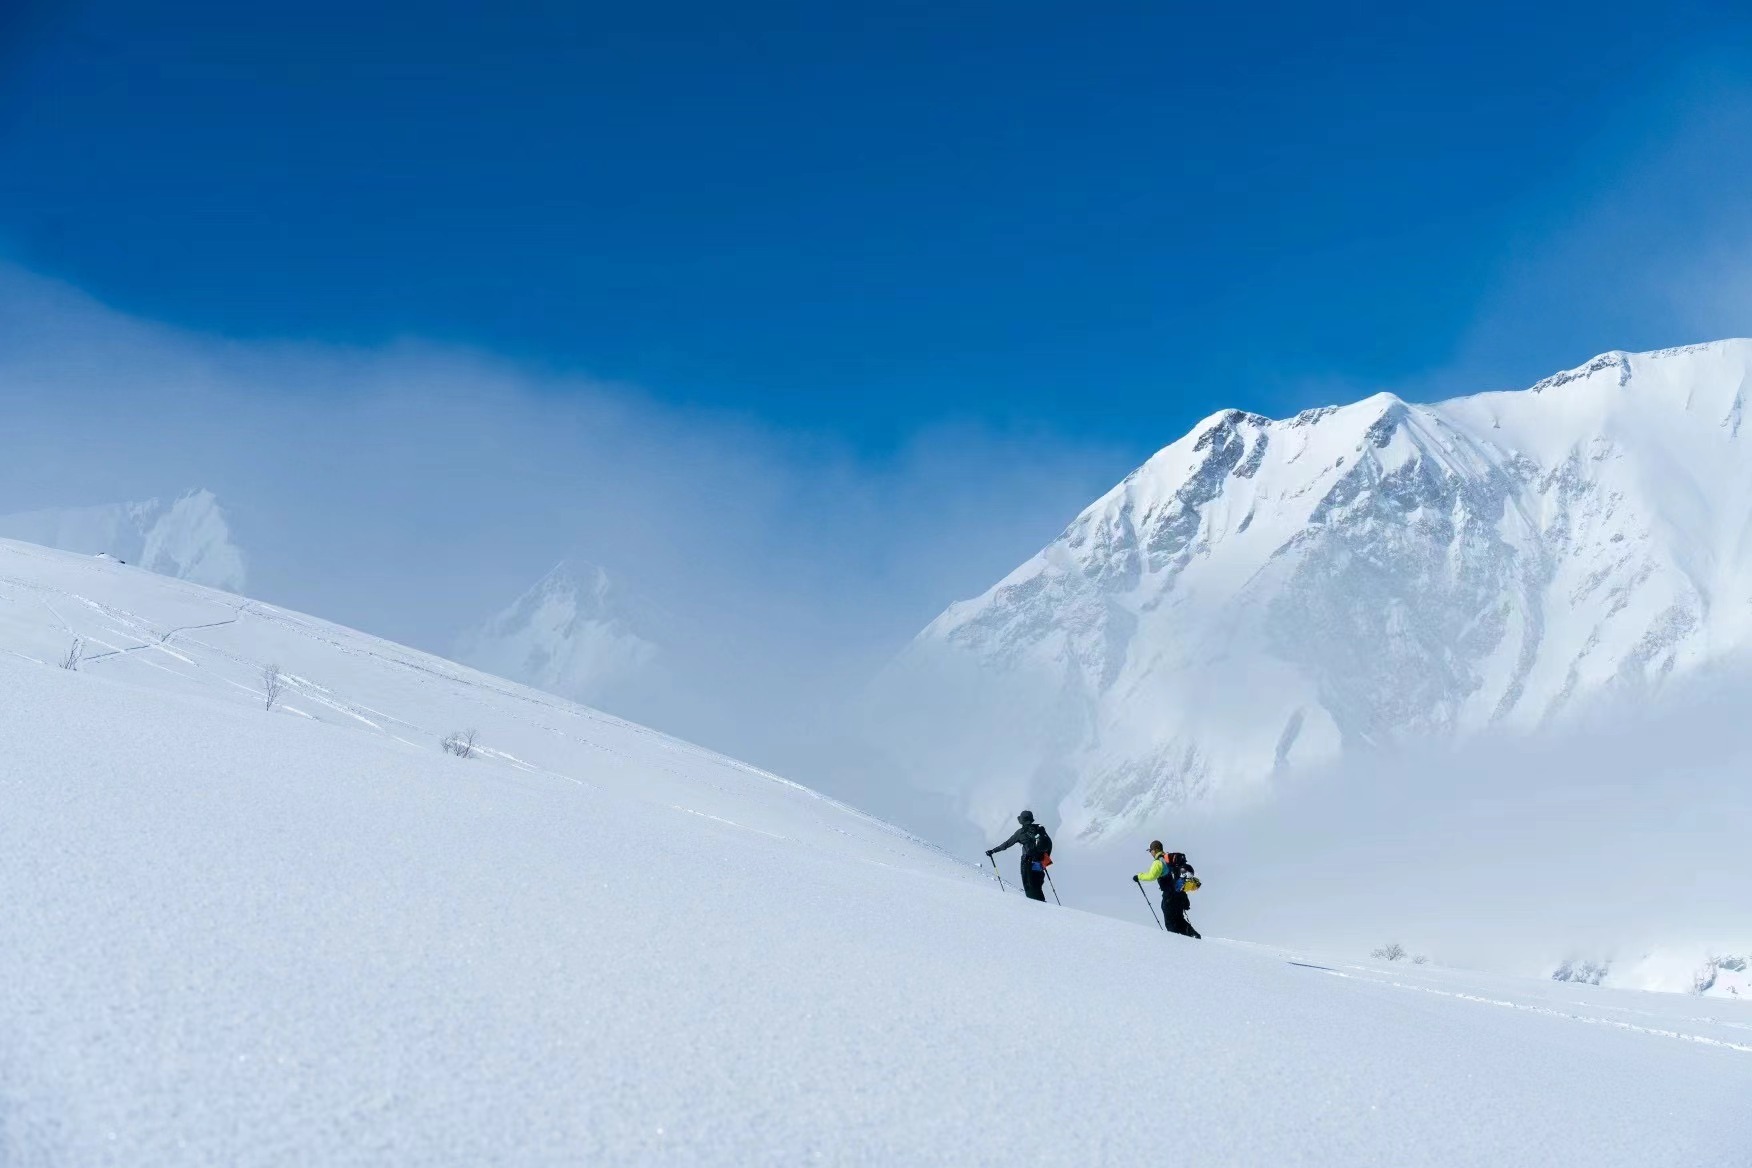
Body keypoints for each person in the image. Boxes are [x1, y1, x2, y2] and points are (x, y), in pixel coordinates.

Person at [1134, 840, 1200, 938]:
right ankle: (1193, 935)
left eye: (1151, 851)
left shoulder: (1158, 862)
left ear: (1155, 850)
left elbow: (1151, 876)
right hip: (1180, 894)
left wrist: (1138, 876)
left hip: (1169, 896)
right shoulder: (1170, 860)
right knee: (1179, 919)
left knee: (1170, 922)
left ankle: (1176, 942)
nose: (1150, 853)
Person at [986, 810, 1053, 902]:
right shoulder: (1039, 829)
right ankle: (1043, 904)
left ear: (1022, 820)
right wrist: (1045, 860)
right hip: (1040, 862)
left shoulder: (1021, 832)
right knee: (1037, 884)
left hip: (1027, 863)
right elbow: (1049, 844)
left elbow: (1007, 844)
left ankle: (1036, 906)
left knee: (1029, 887)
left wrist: (993, 851)